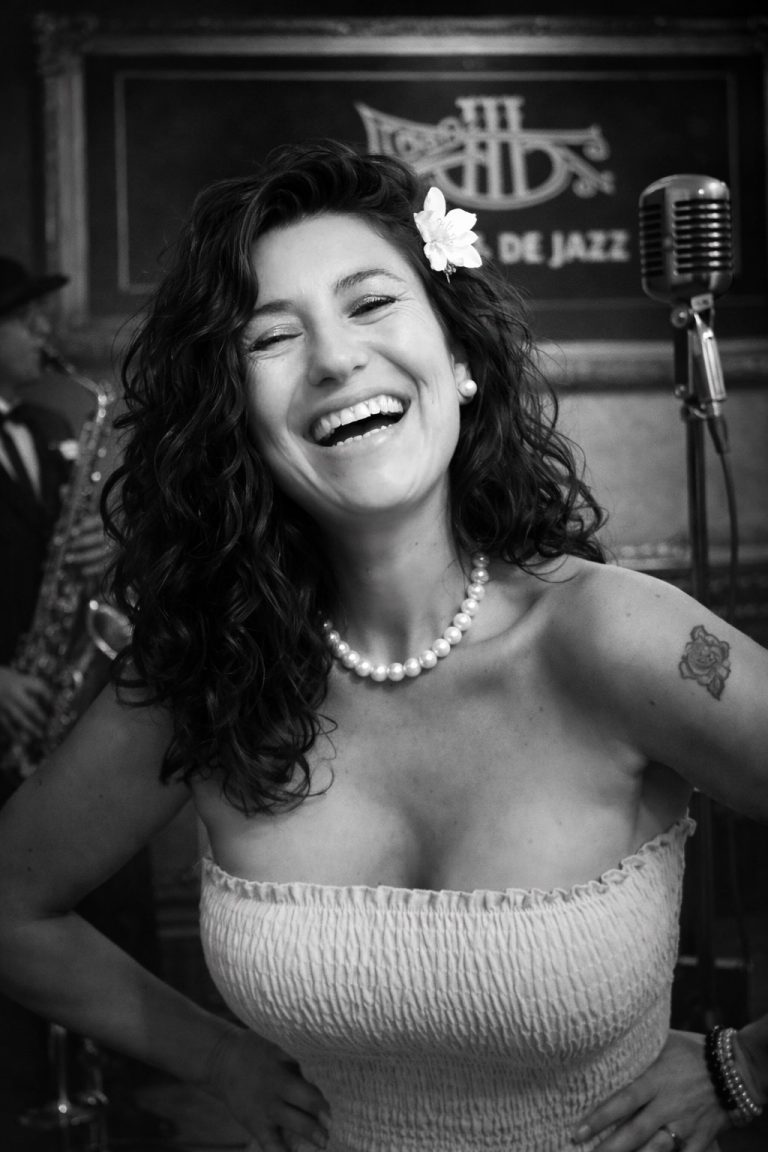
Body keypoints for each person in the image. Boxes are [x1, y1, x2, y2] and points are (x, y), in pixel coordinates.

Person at [0, 139, 765, 1152]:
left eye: (370, 303)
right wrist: (214, 1056)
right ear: (237, 417)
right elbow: (13, 903)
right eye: (273, 337)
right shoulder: (206, 671)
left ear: (460, 359)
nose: (334, 359)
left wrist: (745, 1066)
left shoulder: (622, 638)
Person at [0, 256, 108, 787]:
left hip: (46, 694)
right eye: (25, 319)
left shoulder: (46, 425)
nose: (43, 330)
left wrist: (104, 546)